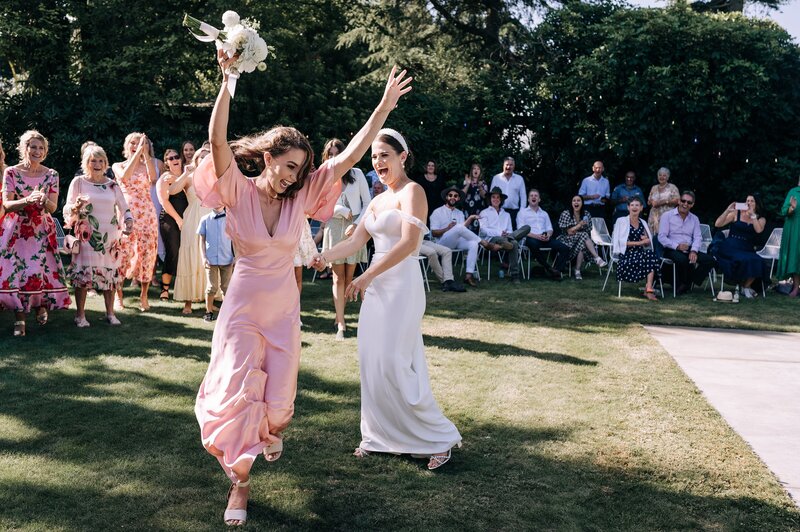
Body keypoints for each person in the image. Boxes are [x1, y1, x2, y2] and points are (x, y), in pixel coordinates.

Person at [194, 49, 411, 527]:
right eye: (288, 166)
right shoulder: (237, 189)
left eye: (300, 169)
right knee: (237, 394)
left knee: (276, 404)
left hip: (283, 313)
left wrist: (384, 109)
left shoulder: (304, 194)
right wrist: (227, 80)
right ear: (268, 158)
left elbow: (352, 153)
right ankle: (240, 485)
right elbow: (217, 138)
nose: (294, 176)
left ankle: (265, 434)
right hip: (242, 309)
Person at [311, 128, 461, 471]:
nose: (378, 162)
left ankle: (438, 438)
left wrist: (366, 276)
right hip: (377, 288)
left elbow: (409, 244)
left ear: (402, 157)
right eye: (375, 157)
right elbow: (354, 244)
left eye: (385, 156)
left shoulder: (414, 192)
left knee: (396, 361)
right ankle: (378, 436)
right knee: (372, 361)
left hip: (401, 285)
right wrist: (325, 256)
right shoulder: (377, 201)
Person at [0, 130, 71, 337]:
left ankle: (41, 307)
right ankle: (19, 319)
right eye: (33, 147)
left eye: (41, 148)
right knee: (18, 274)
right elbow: (7, 204)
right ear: (24, 149)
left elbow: (53, 207)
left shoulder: (52, 175)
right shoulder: (11, 172)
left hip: (41, 230)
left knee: (40, 271)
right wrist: (27, 200)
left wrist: (43, 201)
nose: (37, 151)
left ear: (45, 152)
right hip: (18, 230)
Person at [63, 145, 134, 326]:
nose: (97, 164)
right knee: (83, 276)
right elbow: (67, 209)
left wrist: (128, 221)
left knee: (110, 276)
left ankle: (110, 314)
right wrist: (76, 207)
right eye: (93, 160)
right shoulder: (78, 182)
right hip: (87, 237)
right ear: (86, 163)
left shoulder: (112, 185)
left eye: (101, 160)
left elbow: (124, 207)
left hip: (110, 237)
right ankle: (80, 315)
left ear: (106, 163)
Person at [321, 138, 372, 340]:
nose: (334, 157)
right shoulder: (323, 175)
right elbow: (318, 204)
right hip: (333, 227)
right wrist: (340, 210)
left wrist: (358, 223)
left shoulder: (357, 174)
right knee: (337, 277)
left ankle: (339, 313)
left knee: (349, 277)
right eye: (330, 154)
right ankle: (341, 322)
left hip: (355, 228)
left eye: (337, 153)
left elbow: (368, 202)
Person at [113, 132, 159, 311]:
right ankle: (119, 296)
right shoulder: (119, 165)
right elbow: (125, 176)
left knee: (147, 253)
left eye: (140, 143)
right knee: (123, 252)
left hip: (147, 213)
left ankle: (144, 296)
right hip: (127, 212)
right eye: (132, 143)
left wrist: (145, 155)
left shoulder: (149, 164)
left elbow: (153, 178)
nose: (136, 145)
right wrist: (137, 153)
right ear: (127, 145)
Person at [429, 185, 502, 287]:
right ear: (446, 197)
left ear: (458, 198)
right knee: (459, 228)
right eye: (450, 195)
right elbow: (433, 233)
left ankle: (468, 275)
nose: (453, 197)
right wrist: (447, 228)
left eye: (455, 196)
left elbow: (461, 229)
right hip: (441, 243)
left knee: (473, 243)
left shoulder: (459, 213)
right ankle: (484, 243)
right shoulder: (437, 212)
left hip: (456, 241)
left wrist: (470, 218)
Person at [174, 148, 213, 313]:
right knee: (190, 256)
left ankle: (210, 301)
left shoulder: (214, 177)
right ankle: (188, 303)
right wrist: (184, 173)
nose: (203, 159)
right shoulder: (189, 177)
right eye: (201, 157)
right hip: (192, 220)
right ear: (195, 159)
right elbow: (172, 190)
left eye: (207, 157)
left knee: (210, 257)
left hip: (211, 219)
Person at [658, 191, 715, 294]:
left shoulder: (694, 219)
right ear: (679, 201)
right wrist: (677, 246)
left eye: (689, 202)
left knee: (710, 260)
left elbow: (698, 237)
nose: (685, 204)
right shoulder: (667, 216)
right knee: (683, 260)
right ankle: (684, 284)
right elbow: (662, 237)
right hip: (671, 248)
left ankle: (689, 282)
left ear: (692, 205)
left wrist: (693, 251)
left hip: (689, 249)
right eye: (683, 201)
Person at [712, 196, 768, 298]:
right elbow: (718, 224)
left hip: (747, 248)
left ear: (757, 204)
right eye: (747, 201)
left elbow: (758, 230)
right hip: (731, 246)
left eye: (752, 201)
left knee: (758, 260)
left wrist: (753, 216)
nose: (749, 203)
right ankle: (743, 287)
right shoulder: (736, 213)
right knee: (742, 259)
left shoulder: (761, 218)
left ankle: (746, 286)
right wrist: (727, 210)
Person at [156, 148, 190, 309]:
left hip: (188, 220)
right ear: (167, 163)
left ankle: (183, 288)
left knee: (186, 253)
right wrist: (178, 220)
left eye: (176, 156)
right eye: (170, 158)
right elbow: (164, 201)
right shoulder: (165, 178)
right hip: (170, 220)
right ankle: (164, 289)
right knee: (173, 252)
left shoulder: (187, 175)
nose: (174, 159)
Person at [612, 197, 660, 300]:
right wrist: (641, 242)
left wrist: (646, 239)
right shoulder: (621, 221)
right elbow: (621, 243)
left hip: (640, 253)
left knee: (651, 255)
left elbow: (648, 244)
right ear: (628, 207)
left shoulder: (643, 223)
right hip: (626, 254)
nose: (634, 207)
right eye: (632, 205)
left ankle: (648, 288)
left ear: (641, 208)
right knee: (650, 258)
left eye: (637, 205)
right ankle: (649, 290)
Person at [479, 187, 529, 283]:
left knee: (527, 228)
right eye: (493, 197)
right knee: (513, 243)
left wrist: (508, 234)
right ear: (490, 199)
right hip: (491, 240)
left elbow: (510, 229)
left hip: (506, 238)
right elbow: (483, 230)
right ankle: (515, 276)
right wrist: (499, 233)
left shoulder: (506, 215)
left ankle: (507, 241)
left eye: (498, 197)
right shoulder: (484, 212)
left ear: (501, 200)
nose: (496, 199)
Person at [517, 189, 569, 280]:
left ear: (539, 199)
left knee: (564, 248)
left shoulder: (544, 213)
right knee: (533, 244)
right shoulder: (522, 213)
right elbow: (521, 230)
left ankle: (557, 271)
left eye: (536, 195)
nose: (534, 197)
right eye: (531, 195)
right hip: (530, 238)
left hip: (544, 238)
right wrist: (537, 236)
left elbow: (549, 229)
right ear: (528, 199)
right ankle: (549, 268)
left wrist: (548, 235)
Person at [556, 195, 607, 280]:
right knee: (583, 236)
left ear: (582, 203)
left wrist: (579, 228)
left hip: (581, 239)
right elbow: (568, 232)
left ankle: (577, 270)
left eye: (578, 200)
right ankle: (596, 258)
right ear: (571, 203)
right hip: (566, 240)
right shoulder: (566, 213)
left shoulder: (586, 214)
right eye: (574, 200)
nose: (576, 202)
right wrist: (579, 225)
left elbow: (588, 230)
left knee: (582, 241)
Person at [197, 206, 234, 322]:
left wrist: (235, 256)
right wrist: (203, 257)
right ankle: (208, 312)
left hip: (227, 259)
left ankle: (226, 313)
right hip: (211, 259)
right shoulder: (205, 219)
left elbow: (235, 239)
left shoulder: (231, 219)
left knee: (226, 287)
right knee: (211, 287)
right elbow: (201, 240)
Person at [490, 157, 527, 229]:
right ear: (503, 165)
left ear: (514, 166)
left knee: (513, 234)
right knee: (500, 232)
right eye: (507, 164)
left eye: (511, 165)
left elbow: (523, 197)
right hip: (500, 211)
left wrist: (522, 212)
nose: (508, 167)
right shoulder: (496, 178)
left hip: (515, 212)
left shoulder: (519, 179)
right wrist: (493, 210)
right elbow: (492, 195)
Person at [777, 180, 800, 297]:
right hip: (795, 230)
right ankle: (796, 288)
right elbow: (784, 211)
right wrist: (791, 208)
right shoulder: (793, 192)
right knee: (795, 258)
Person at [411, 159, 447, 224]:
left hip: (437, 206)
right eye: (429, 165)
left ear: (435, 167)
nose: (430, 167)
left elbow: (443, 193)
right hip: (424, 206)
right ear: (426, 167)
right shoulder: (420, 178)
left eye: (432, 166)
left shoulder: (440, 179)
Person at [647, 167, 680, 234]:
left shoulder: (672, 187)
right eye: (660, 175)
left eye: (664, 175)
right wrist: (651, 202)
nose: (661, 177)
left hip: (667, 217)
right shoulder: (654, 187)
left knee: (665, 237)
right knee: (653, 238)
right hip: (654, 217)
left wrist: (664, 202)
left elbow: (678, 200)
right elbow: (648, 202)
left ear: (668, 177)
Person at [462, 163, 487, 234]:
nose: (476, 170)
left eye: (478, 169)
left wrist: (480, 186)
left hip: (478, 210)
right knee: (466, 230)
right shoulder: (466, 181)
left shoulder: (483, 183)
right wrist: (468, 184)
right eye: (474, 168)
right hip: (467, 210)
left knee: (477, 231)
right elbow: (462, 195)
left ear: (480, 172)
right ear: (471, 171)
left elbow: (485, 196)